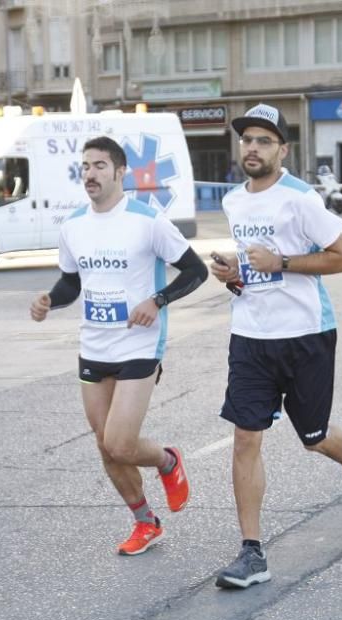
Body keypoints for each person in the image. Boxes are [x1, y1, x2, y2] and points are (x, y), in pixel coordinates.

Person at [208, 103, 342, 588]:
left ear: (283, 149)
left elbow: (341, 259)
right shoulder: (234, 202)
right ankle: (251, 552)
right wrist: (236, 275)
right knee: (246, 438)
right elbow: (253, 268)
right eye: (247, 140)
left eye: (264, 141)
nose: (253, 148)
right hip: (251, 336)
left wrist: (280, 262)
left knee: (315, 438)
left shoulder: (300, 198)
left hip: (305, 336)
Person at [29, 135, 208, 554]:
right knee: (104, 445)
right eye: (85, 166)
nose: (89, 174)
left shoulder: (147, 221)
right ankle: (145, 522)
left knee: (121, 444)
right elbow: (72, 281)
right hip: (94, 346)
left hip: (138, 346)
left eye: (99, 166)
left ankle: (167, 460)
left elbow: (195, 271)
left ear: (120, 172)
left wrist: (157, 300)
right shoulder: (73, 225)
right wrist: (49, 301)